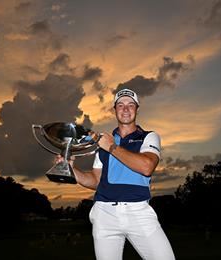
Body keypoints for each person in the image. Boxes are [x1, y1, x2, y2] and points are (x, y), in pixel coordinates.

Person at [56, 88, 176, 260]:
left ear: (137, 109)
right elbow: (96, 181)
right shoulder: (103, 142)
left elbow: (146, 166)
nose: (125, 109)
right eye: (120, 105)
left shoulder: (149, 137)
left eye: (130, 105)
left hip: (139, 212)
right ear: (114, 110)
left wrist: (112, 147)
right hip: (105, 214)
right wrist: (71, 169)